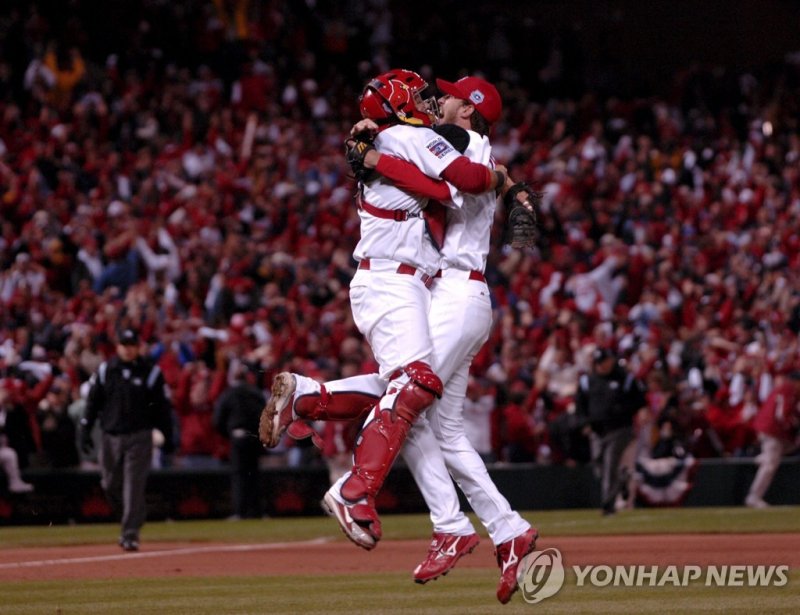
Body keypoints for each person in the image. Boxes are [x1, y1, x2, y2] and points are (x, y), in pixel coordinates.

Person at [261, 72, 538, 604]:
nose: (438, 98)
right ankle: (508, 531)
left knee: (409, 394)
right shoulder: (456, 141)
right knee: (442, 425)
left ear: (468, 108)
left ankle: (446, 523)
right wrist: (508, 184)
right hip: (454, 291)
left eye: (450, 94)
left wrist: (373, 154)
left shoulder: (462, 141)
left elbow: (459, 175)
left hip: (453, 290)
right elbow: (457, 180)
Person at [80, 328, 174, 551]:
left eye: (131, 344)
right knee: (110, 484)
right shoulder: (106, 370)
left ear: (138, 346)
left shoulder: (150, 372)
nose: (127, 349)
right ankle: (133, 517)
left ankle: (130, 533)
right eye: (124, 344)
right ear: (118, 346)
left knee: (133, 486)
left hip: (140, 436)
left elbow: (162, 408)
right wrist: (85, 428)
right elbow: (93, 402)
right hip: (110, 436)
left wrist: (168, 435)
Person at [576, 347, 647, 515]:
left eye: (604, 362)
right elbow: (580, 406)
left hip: (620, 429)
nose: (601, 366)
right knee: (598, 464)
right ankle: (622, 480)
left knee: (609, 464)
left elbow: (640, 401)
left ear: (611, 361)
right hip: (597, 430)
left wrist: (627, 411)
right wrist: (584, 423)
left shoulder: (625, 378)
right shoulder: (587, 381)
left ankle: (608, 505)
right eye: (598, 363)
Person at [213, 362, 266, 519]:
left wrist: (229, 434)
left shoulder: (228, 394)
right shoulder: (256, 393)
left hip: (238, 438)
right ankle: (256, 512)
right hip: (254, 438)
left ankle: (239, 512)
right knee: (254, 475)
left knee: (239, 476)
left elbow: (217, 421)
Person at [745, 371, 800, 508]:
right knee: (770, 465)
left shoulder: (789, 390)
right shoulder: (788, 388)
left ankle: (762, 458)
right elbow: (782, 414)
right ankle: (754, 497)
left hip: (771, 429)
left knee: (790, 447)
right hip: (772, 429)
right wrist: (792, 424)